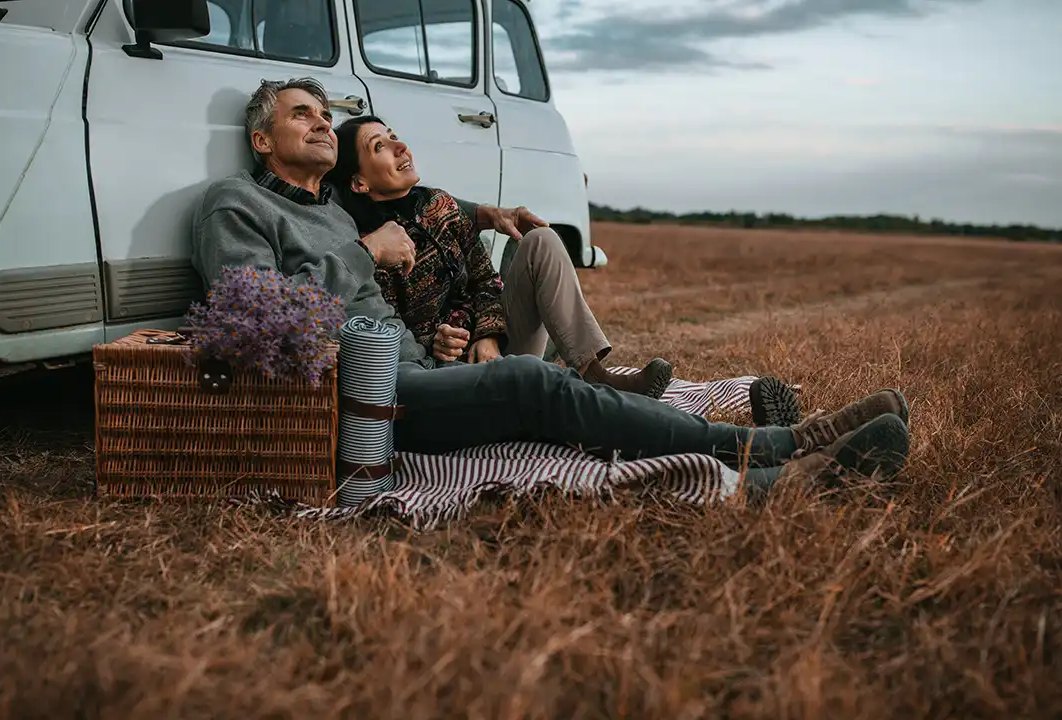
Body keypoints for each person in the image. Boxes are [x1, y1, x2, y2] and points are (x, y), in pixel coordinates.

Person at [189, 77, 912, 500]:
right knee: (539, 389)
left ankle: (765, 461)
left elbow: (424, 203)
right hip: (364, 400)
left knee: (558, 420)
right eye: (301, 115)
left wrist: (488, 221)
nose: (322, 123)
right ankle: (774, 454)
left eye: (324, 114)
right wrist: (362, 252)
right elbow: (259, 324)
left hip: (410, 368)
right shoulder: (237, 205)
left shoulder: (332, 209)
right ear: (261, 141)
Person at [320, 113, 671, 398]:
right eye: (380, 146)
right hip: (443, 373)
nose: (400, 146)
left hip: (497, 348)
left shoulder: (439, 205)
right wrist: (437, 340)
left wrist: (488, 335)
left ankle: (595, 373)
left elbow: (486, 280)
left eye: (394, 135)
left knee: (542, 240)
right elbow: (385, 324)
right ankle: (560, 392)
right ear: (359, 183)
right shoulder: (370, 243)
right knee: (536, 389)